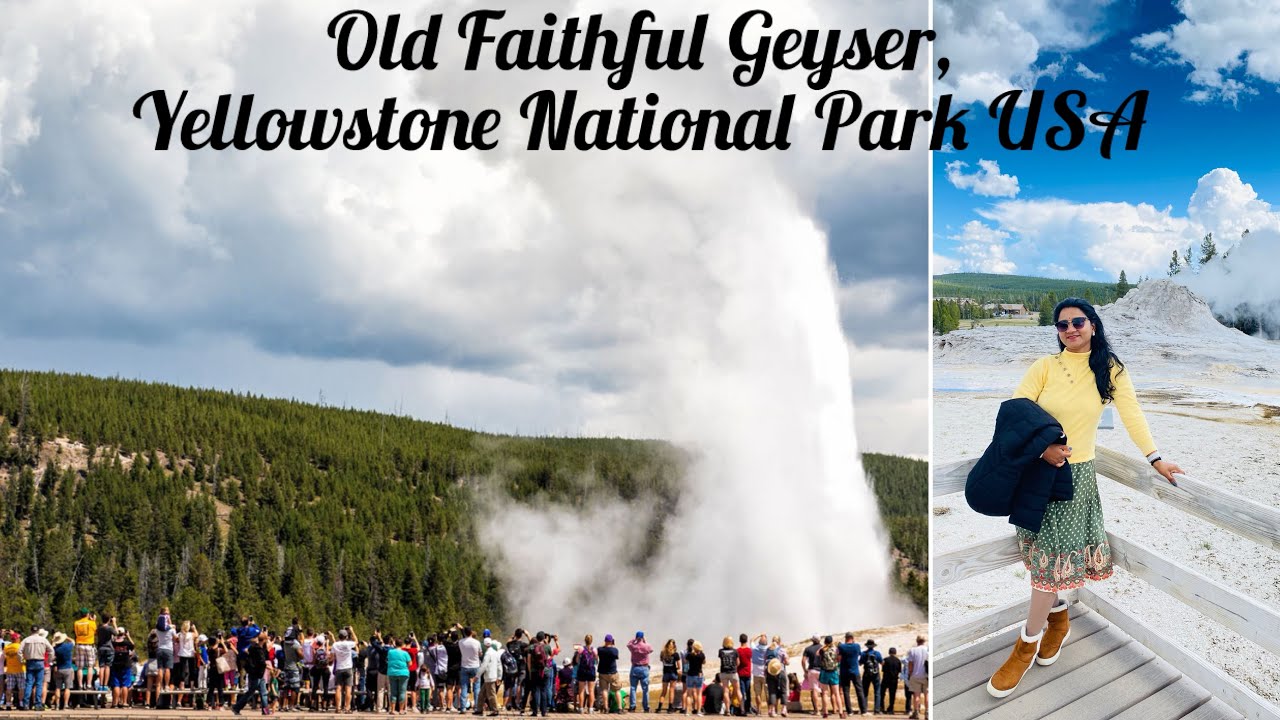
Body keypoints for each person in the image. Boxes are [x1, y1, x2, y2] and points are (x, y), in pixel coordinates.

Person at [986, 298, 1184, 698]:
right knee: (1042, 558)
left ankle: (1026, 646)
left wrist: (1156, 458)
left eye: (1078, 322)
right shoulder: (1044, 367)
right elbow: (1015, 413)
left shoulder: (1110, 370)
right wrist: (1042, 448)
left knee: (1048, 567)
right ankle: (1058, 620)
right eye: (1062, 325)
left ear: (1093, 324)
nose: (1070, 329)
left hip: (1074, 480)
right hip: (1037, 470)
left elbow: (1132, 415)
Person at [232, 633, 271, 716]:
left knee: (263, 692)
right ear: (264, 640)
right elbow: (261, 661)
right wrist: (267, 666)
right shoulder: (258, 650)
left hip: (256, 674)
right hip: (257, 674)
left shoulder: (253, 648)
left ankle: (265, 710)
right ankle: (237, 707)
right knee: (250, 693)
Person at [20, 626, 53, 711]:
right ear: (38, 631)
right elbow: (51, 651)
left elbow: (19, 651)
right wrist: (48, 661)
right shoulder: (43, 640)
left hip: (30, 662)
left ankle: (26, 704)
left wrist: (22, 660)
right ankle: (38, 704)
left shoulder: (26, 640)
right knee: (39, 684)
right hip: (40, 662)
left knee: (29, 683)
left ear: (31, 631)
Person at [835, 633, 864, 716]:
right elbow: (859, 655)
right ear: (852, 638)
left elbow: (838, 659)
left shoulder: (841, 647)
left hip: (844, 671)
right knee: (859, 690)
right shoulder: (857, 646)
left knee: (846, 692)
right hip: (855, 671)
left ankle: (849, 711)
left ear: (846, 638)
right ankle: (863, 710)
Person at [816, 636, 845, 719]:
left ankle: (825, 713)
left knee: (824, 693)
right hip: (834, 672)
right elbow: (839, 659)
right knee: (837, 694)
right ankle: (840, 712)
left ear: (825, 642)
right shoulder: (836, 649)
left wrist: (823, 646)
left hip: (824, 672)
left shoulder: (822, 650)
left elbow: (817, 653)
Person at [333, 627, 358, 713]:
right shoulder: (349, 644)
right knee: (348, 689)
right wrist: (352, 630)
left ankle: (338, 708)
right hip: (348, 667)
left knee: (338, 688)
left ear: (339, 636)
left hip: (339, 667)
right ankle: (347, 708)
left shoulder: (335, 645)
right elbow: (356, 641)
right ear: (346, 636)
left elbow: (332, 657)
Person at [108, 628, 135, 709]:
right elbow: (133, 646)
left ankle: (115, 703)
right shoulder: (126, 643)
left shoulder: (113, 643)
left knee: (116, 684)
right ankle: (124, 702)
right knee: (125, 684)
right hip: (125, 665)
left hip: (115, 664)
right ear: (124, 634)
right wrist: (128, 636)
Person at [627, 631, 653, 713]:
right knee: (645, 689)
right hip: (644, 668)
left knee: (633, 688)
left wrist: (634, 640)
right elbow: (651, 650)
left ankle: (632, 706)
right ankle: (646, 707)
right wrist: (645, 641)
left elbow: (628, 644)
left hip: (635, 668)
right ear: (643, 637)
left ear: (636, 637)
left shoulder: (633, 646)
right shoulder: (646, 646)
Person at [72, 610, 97, 693]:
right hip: (89, 645)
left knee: (80, 667)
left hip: (79, 644)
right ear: (87, 614)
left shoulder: (76, 623)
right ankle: (88, 685)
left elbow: (76, 633)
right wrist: (93, 621)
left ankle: (80, 685)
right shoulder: (91, 623)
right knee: (90, 666)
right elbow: (95, 632)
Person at [459, 627, 483, 712]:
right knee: (476, 688)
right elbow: (480, 653)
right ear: (471, 632)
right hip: (475, 666)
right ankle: (477, 707)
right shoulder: (477, 642)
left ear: (465, 633)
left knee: (464, 687)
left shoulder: (460, 642)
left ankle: (463, 708)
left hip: (464, 666)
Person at [384, 637, 411, 714]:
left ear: (395, 644)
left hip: (392, 673)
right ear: (402, 644)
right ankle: (401, 710)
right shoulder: (405, 653)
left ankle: (392, 709)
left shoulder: (390, 652)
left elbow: (387, 660)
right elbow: (410, 663)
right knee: (402, 692)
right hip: (403, 673)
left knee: (393, 692)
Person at [479, 637, 504, 716]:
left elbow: (483, 666)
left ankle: (495, 710)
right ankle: (479, 709)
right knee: (481, 694)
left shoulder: (487, 654)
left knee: (491, 695)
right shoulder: (496, 653)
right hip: (491, 677)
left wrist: (477, 675)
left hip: (489, 677)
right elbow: (499, 666)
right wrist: (499, 676)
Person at [904, 638, 927, 720]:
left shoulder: (913, 650)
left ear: (917, 641)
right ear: (924, 641)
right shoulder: (927, 649)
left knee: (916, 695)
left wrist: (910, 673)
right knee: (926, 694)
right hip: (926, 675)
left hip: (915, 674)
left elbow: (910, 663)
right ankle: (927, 713)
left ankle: (916, 712)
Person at [51, 631, 75, 710]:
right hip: (68, 668)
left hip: (59, 668)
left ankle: (57, 705)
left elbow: (52, 648)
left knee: (58, 687)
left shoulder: (56, 649)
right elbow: (73, 641)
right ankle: (65, 704)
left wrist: (53, 641)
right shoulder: (68, 646)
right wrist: (66, 637)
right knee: (67, 688)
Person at [682, 641, 705, 718]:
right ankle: (698, 711)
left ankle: (688, 711)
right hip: (699, 674)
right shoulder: (701, 655)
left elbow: (685, 660)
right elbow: (704, 662)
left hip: (690, 674)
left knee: (689, 694)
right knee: (699, 694)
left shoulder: (690, 655)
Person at [207, 634, 230, 711]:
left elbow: (225, 650)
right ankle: (216, 704)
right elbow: (225, 650)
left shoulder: (212, 649)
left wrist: (220, 642)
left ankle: (213, 704)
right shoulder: (215, 649)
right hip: (217, 670)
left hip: (215, 670)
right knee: (216, 688)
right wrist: (221, 642)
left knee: (215, 688)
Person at [857, 641, 880, 715]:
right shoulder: (877, 653)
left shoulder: (864, 654)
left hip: (866, 674)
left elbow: (860, 663)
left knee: (865, 691)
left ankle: (864, 709)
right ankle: (876, 710)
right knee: (877, 692)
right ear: (873, 646)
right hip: (876, 674)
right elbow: (882, 662)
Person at [576, 635, 598, 714]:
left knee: (581, 690)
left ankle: (581, 708)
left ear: (584, 640)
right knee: (591, 690)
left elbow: (577, 659)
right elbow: (596, 660)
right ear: (591, 641)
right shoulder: (594, 649)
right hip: (591, 671)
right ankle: (591, 709)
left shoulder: (581, 648)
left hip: (582, 671)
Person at [799, 637, 821, 715]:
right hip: (822, 670)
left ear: (812, 640)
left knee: (814, 690)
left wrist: (805, 670)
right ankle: (825, 710)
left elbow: (803, 661)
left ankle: (817, 710)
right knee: (824, 691)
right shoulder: (823, 648)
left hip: (812, 670)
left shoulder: (808, 649)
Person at [95, 615, 116, 692]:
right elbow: (116, 633)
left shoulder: (99, 628)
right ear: (109, 620)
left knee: (101, 667)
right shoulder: (109, 628)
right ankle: (105, 684)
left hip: (101, 648)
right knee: (107, 667)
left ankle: (101, 684)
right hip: (109, 648)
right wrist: (114, 623)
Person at [658, 639, 680, 713]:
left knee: (664, 691)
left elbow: (662, 661)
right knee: (672, 690)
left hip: (666, 673)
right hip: (673, 673)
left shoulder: (662, 653)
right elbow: (679, 666)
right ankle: (670, 708)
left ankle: (659, 708)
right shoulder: (676, 654)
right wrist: (674, 668)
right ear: (674, 645)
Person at [4, 631, 24, 710]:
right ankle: (21, 704)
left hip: (10, 670)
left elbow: (5, 657)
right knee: (21, 688)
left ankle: (8, 704)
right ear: (17, 639)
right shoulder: (20, 646)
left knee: (9, 688)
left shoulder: (7, 647)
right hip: (20, 669)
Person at [750, 635, 768, 718]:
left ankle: (759, 711)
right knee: (767, 693)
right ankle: (770, 710)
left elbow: (751, 640)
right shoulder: (768, 649)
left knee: (758, 694)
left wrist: (759, 635)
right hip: (765, 674)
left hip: (756, 674)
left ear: (759, 642)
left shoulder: (755, 649)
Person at [735, 635, 753, 716]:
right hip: (748, 672)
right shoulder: (749, 650)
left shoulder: (737, 650)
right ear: (746, 640)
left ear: (739, 640)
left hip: (740, 673)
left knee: (742, 691)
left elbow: (737, 662)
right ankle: (748, 707)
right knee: (748, 691)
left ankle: (743, 708)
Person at [880, 649, 901, 716]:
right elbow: (899, 670)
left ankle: (881, 707)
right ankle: (891, 709)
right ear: (895, 653)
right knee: (892, 695)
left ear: (889, 652)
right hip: (894, 679)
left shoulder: (885, 660)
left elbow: (883, 670)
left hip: (886, 678)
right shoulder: (898, 660)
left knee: (882, 693)